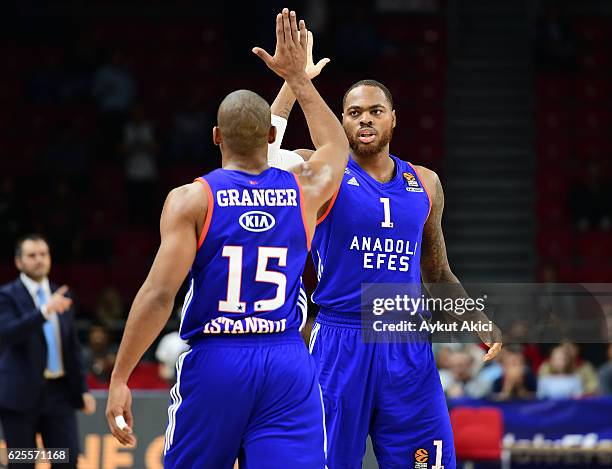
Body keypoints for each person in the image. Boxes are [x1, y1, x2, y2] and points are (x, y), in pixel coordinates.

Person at [105, 10, 349, 469]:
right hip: (285, 361)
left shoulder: (191, 200)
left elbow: (159, 295)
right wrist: (300, 80)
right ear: (273, 137)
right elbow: (336, 146)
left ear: (216, 136)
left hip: (217, 360)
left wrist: (120, 376)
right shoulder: (304, 191)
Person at [268, 70, 502, 469]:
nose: (365, 119)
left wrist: (478, 319)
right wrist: (293, 79)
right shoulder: (322, 171)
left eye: (375, 111)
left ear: (393, 118)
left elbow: (437, 272)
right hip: (340, 341)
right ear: (341, 121)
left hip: (406, 344)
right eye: (354, 112)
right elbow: (264, 154)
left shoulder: (425, 182)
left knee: (427, 462)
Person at [0, 234, 96, 469]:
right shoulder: (7, 296)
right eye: (32, 255)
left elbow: (71, 347)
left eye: (43, 254)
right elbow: (7, 333)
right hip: (19, 395)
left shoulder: (60, 295)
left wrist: (82, 389)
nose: (39, 260)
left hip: (59, 393)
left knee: (67, 459)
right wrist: (43, 311)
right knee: (22, 463)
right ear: (19, 262)